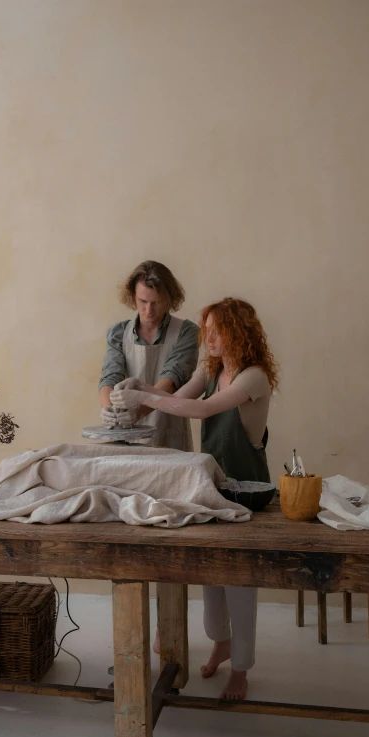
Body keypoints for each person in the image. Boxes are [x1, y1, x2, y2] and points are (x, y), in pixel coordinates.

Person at [111, 297, 279, 700]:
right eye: (207, 330)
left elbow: (199, 412)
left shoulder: (253, 377)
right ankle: (220, 643)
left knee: (240, 579)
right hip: (210, 485)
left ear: (239, 331)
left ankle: (241, 668)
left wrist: (145, 400)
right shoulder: (213, 369)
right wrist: (141, 389)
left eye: (216, 330)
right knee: (211, 574)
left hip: (246, 490)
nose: (209, 338)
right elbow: (180, 397)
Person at [99, 260, 199, 450]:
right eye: (143, 302)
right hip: (127, 434)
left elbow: (171, 381)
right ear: (133, 296)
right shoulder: (118, 333)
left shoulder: (186, 332)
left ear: (169, 298)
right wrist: (107, 410)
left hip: (169, 432)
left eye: (156, 302)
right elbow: (110, 376)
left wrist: (136, 413)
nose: (149, 310)